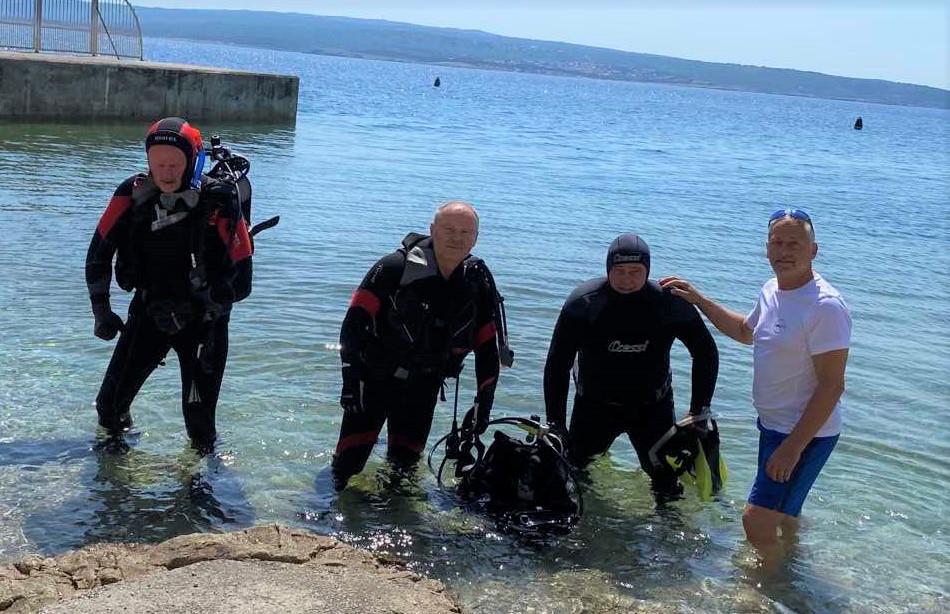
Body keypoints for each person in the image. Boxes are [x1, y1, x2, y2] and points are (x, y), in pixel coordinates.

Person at [660, 208, 850, 560]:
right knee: (785, 515)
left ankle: (767, 585)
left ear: (814, 250)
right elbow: (745, 331)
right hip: (773, 426)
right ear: (767, 249)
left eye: (794, 243)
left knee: (756, 522)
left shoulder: (825, 307)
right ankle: (792, 568)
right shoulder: (771, 290)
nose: (784, 251)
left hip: (803, 434)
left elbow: (832, 386)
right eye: (777, 242)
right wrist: (699, 300)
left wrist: (792, 448)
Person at [86, 117, 252, 454]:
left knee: (199, 426)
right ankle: (117, 469)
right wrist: (101, 311)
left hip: (204, 324)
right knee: (109, 408)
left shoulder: (219, 201)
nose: (166, 172)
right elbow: (98, 254)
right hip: (150, 312)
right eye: (158, 163)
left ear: (193, 161)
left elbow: (244, 280)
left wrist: (206, 299)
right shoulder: (131, 194)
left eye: (174, 164)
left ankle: (201, 480)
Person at [332, 201, 502, 490]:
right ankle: (327, 512)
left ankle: (392, 517)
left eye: (465, 232)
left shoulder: (477, 283)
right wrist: (350, 381)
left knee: (404, 472)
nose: (456, 238)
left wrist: (482, 405)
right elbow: (352, 326)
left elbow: (488, 350)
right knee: (347, 466)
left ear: (476, 238)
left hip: (424, 386)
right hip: (373, 381)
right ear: (433, 230)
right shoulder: (393, 267)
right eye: (448, 229)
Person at [543, 233, 719, 501]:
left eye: (635, 271)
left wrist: (699, 411)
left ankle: (668, 527)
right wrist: (556, 422)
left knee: (666, 483)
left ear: (647, 270)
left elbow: (705, 352)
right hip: (594, 407)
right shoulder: (584, 303)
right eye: (620, 271)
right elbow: (558, 363)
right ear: (608, 269)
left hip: (653, 408)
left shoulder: (668, 303)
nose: (627, 279)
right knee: (574, 473)